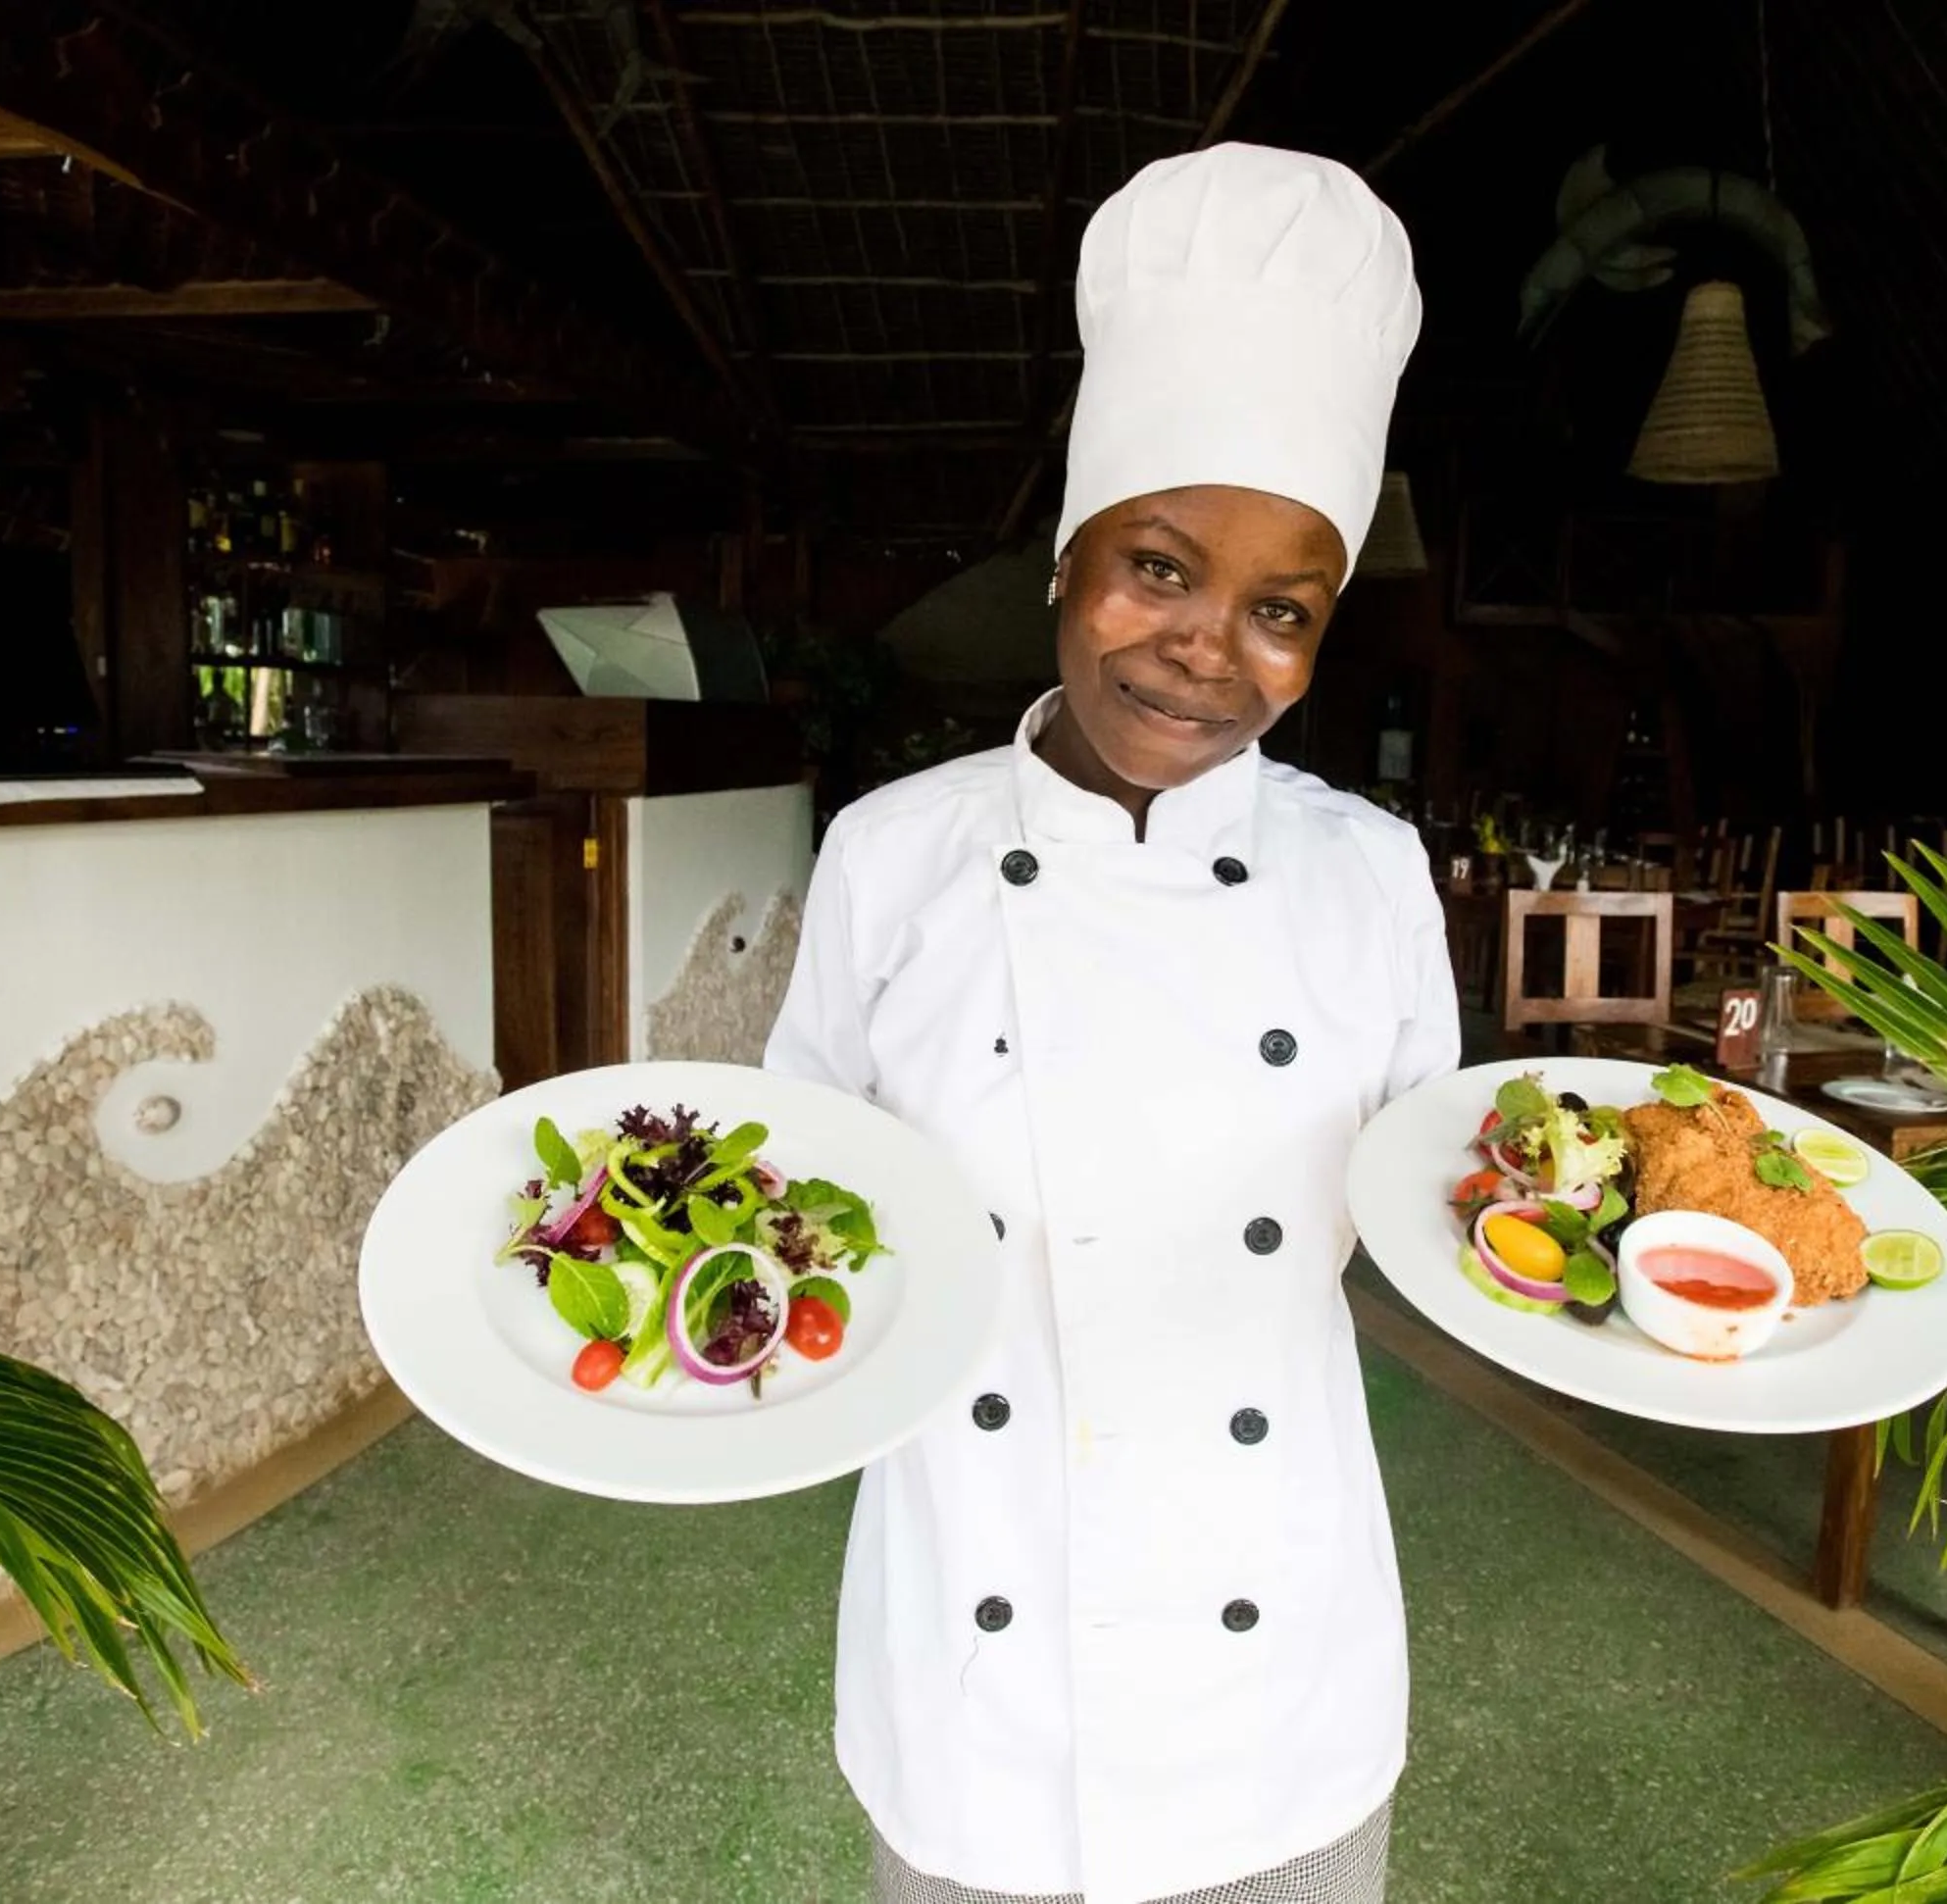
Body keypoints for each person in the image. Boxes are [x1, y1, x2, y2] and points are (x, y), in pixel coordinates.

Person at [765, 141, 1456, 1904]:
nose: (1210, 647)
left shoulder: (1375, 877)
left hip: (1273, 1663)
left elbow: (1449, 1209)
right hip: (975, 1644)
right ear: (1068, 556)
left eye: (1281, 610)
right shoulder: (890, 857)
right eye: (1160, 565)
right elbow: (802, 1199)